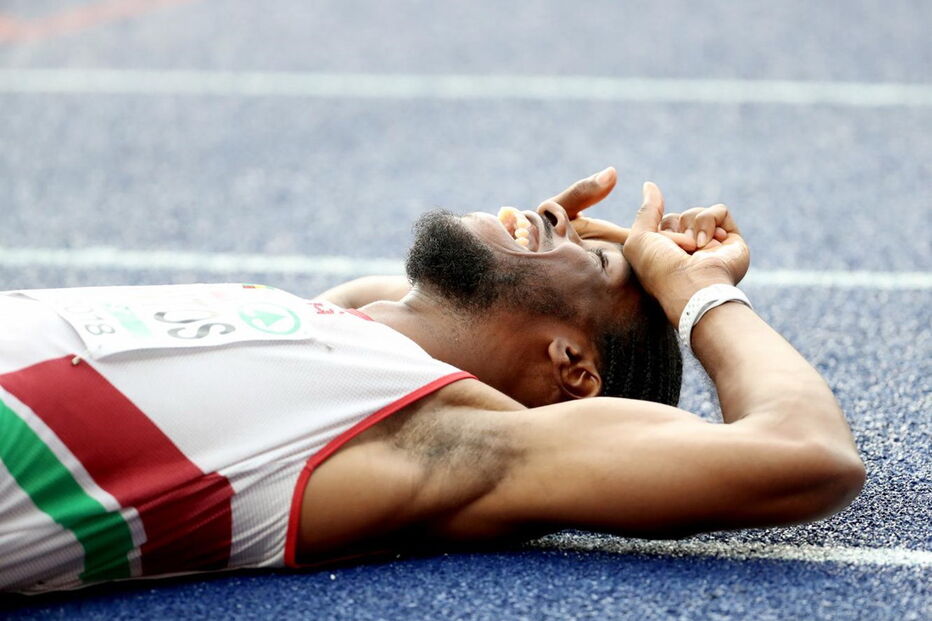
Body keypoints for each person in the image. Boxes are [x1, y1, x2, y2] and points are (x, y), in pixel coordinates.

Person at [0, 168, 864, 593]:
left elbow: (805, 453)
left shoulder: (436, 438)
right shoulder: (344, 324)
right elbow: (441, 305)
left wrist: (694, 289)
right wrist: (545, 250)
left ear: (571, 368)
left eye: (599, 256)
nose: (559, 213)